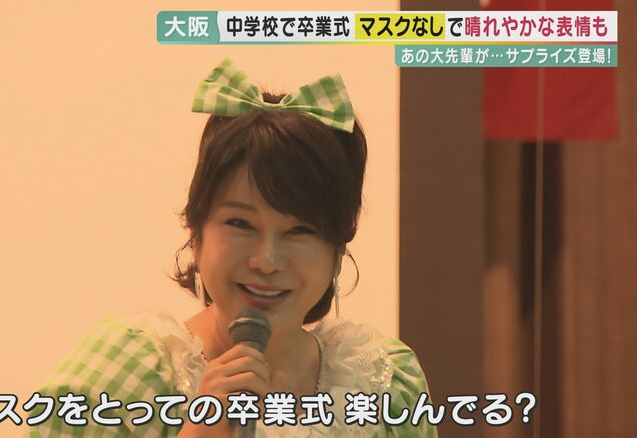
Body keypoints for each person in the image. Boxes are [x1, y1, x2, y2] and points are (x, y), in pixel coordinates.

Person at [24, 59, 437, 437]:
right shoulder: (128, 373)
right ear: (197, 229)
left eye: (300, 230)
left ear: (338, 248)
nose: (266, 261)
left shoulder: (382, 384)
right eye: (240, 224)